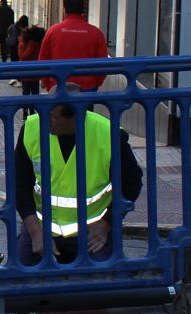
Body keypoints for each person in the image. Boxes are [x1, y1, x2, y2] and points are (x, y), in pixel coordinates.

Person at [13, 84, 143, 265]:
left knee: (99, 283)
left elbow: (132, 183)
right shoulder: (32, 128)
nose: (44, 119)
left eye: (52, 116)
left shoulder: (108, 134)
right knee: (19, 279)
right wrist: (34, 231)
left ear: (76, 116)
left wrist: (107, 223)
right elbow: (19, 184)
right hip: (41, 228)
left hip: (91, 232)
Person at [38, 0, 109, 92]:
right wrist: (95, 83)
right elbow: (103, 64)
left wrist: (48, 85)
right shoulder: (96, 33)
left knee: (59, 108)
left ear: (64, 8)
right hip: (87, 89)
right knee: (85, 108)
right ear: (83, 9)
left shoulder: (53, 31)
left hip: (58, 88)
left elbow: (43, 61)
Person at [18, 25, 46, 96]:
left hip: (26, 73)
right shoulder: (39, 44)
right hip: (35, 73)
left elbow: (23, 56)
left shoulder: (30, 45)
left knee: (26, 93)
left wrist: (21, 46)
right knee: (35, 92)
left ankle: (26, 106)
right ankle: (34, 106)